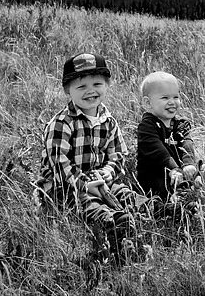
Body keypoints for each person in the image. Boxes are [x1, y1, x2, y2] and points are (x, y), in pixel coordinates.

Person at [35, 52, 142, 263]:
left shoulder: (108, 121)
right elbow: (60, 165)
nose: (91, 91)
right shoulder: (61, 123)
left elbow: (118, 157)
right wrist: (85, 184)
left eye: (97, 84)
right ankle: (109, 224)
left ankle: (147, 213)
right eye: (81, 86)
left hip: (100, 180)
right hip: (65, 185)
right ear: (68, 90)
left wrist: (102, 176)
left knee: (127, 195)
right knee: (87, 202)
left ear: (106, 85)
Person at [136, 70, 205, 205]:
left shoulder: (180, 124)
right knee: (166, 190)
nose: (172, 102)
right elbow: (157, 151)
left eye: (175, 97)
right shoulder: (147, 126)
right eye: (165, 98)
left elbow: (187, 144)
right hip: (159, 176)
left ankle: (201, 195)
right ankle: (177, 203)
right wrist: (173, 169)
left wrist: (188, 165)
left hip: (182, 172)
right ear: (148, 103)